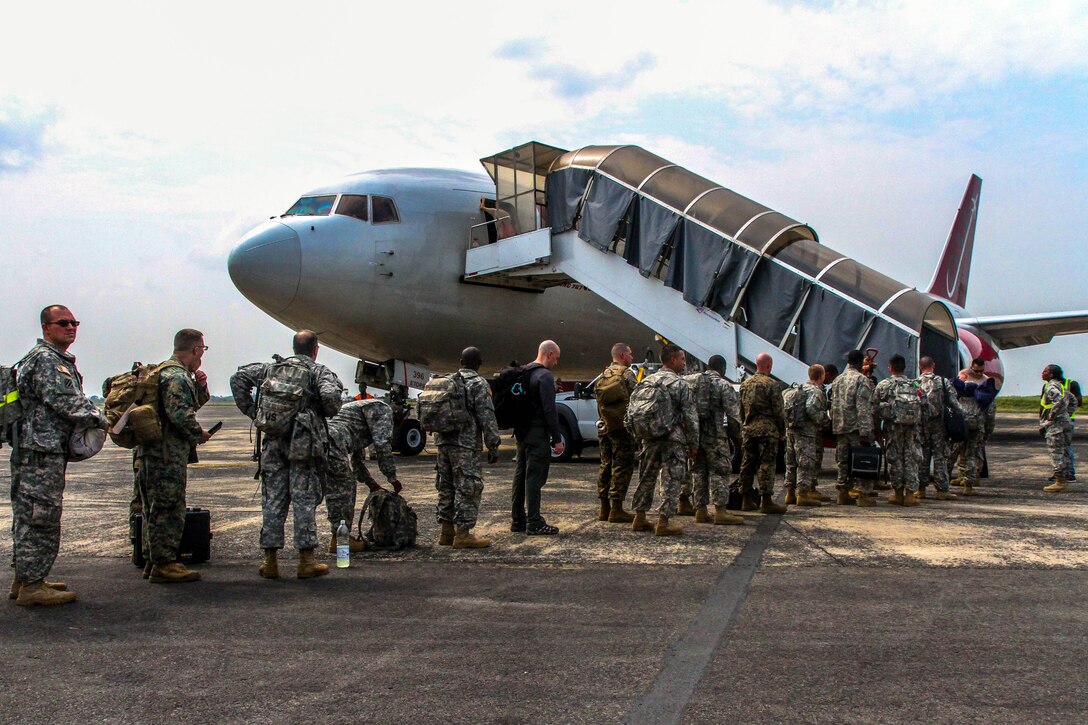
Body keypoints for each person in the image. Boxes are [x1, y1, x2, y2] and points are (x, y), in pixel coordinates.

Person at [9, 305, 108, 606]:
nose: (70, 327)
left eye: (74, 322)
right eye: (62, 323)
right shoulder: (47, 360)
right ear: (46, 327)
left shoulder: (50, 359)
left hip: (39, 450)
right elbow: (64, 401)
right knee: (42, 516)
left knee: (31, 515)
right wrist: (103, 417)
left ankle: (25, 578)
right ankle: (32, 587)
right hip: (40, 452)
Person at [256, 330, 344, 579]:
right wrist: (321, 412)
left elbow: (239, 378)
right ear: (315, 350)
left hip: (273, 443)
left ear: (294, 348)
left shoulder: (271, 368)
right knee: (304, 500)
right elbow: (330, 399)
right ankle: (306, 561)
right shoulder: (319, 371)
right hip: (303, 445)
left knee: (273, 499)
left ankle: (269, 561)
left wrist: (255, 414)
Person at [135, 329, 213, 584]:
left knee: (152, 509)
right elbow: (180, 415)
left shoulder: (161, 372)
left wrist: (200, 386)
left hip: (150, 451)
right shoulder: (177, 376)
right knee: (169, 508)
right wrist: (198, 433)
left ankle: (152, 560)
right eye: (203, 349)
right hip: (167, 453)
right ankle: (165, 563)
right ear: (196, 349)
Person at [433, 347, 502, 548]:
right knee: (468, 487)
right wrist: (493, 445)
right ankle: (463, 534)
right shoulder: (478, 383)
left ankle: (446, 532)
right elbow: (486, 416)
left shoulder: (447, 381)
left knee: (445, 486)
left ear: (460, 361)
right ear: (479, 363)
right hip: (465, 444)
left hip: (443, 442)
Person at [629, 344, 699, 535]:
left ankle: (640, 517)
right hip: (672, 438)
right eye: (682, 359)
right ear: (673, 360)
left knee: (647, 476)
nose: (684, 363)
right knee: (671, 479)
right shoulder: (680, 384)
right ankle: (663, 522)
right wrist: (693, 444)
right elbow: (690, 417)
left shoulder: (647, 381)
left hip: (650, 437)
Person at [325, 398, 401, 553]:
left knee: (333, 487)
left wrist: (371, 483)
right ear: (395, 413)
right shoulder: (383, 409)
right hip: (335, 440)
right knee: (344, 488)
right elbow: (382, 444)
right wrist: (391, 477)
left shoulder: (358, 413)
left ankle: (336, 537)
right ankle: (339, 540)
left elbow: (357, 460)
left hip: (322, 437)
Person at [681, 355, 744, 524]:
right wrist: (737, 439)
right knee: (720, 472)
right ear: (722, 369)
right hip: (715, 437)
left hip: (695, 435)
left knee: (698, 472)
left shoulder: (690, 381)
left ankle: (700, 511)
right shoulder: (723, 385)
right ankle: (721, 512)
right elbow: (732, 418)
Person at [511, 340, 564, 535]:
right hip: (537, 433)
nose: (556, 363)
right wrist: (557, 439)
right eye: (556, 358)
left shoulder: (524, 372)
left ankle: (518, 519)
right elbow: (550, 410)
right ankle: (534, 521)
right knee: (534, 476)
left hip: (522, 432)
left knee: (520, 474)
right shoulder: (545, 376)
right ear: (549, 354)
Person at [737, 352, 788, 514]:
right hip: (768, 431)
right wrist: (782, 431)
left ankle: (746, 500)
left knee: (747, 464)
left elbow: (741, 410)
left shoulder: (745, 384)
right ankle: (766, 501)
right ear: (769, 366)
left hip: (749, 430)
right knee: (767, 464)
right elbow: (779, 412)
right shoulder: (772, 385)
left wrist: (745, 425)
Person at [594, 343, 638, 524]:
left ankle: (604, 508)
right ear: (622, 355)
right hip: (621, 429)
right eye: (630, 353)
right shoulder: (627, 374)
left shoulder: (602, 375)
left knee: (605, 464)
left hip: (605, 427)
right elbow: (637, 399)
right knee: (622, 465)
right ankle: (617, 509)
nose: (632, 357)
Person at [873, 354, 923, 506]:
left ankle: (898, 494)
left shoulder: (884, 385)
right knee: (911, 458)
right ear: (904, 368)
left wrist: (877, 430)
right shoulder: (914, 384)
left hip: (893, 427)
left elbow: (874, 407)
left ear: (891, 368)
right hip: (912, 428)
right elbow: (924, 401)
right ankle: (910, 494)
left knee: (895, 459)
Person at [830, 349, 876, 506]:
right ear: (859, 362)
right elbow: (862, 407)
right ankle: (863, 495)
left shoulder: (837, 380)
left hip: (840, 427)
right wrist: (865, 431)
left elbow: (833, 405)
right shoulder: (861, 380)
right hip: (856, 428)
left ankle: (842, 493)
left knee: (843, 461)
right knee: (862, 460)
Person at [915, 356, 963, 500]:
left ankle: (920, 489)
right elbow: (954, 403)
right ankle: (942, 489)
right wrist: (961, 416)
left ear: (919, 367)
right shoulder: (943, 382)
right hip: (939, 425)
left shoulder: (915, 383)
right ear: (933, 365)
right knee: (940, 457)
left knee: (922, 457)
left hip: (922, 425)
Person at [783, 364, 828, 508]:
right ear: (821, 376)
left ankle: (790, 493)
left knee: (791, 462)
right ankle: (803, 495)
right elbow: (810, 409)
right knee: (805, 463)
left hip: (791, 430)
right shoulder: (816, 391)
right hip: (806, 432)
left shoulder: (798, 388)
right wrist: (823, 418)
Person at [950, 358, 990, 496]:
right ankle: (968, 482)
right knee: (969, 453)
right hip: (976, 422)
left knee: (954, 453)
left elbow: (952, 401)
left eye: (981, 371)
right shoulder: (983, 385)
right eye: (976, 370)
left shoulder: (982, 381)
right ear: (971, 367)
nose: (978, 373)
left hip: (964, 421)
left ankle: (946, 484)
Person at [1040, 364, 1076, 492]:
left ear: (1051, 375)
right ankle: (1064, 478)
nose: (1042, 373)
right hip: (1065, 423)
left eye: (1045, 371)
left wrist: (1051, 417)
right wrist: (1067, 414)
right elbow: (1073, 400)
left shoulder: (1050, 386)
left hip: (1056, 425)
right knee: (1065, 451)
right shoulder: (1061, 385)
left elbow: (1058, 400)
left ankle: (1060, 481)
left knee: (1056, 452)